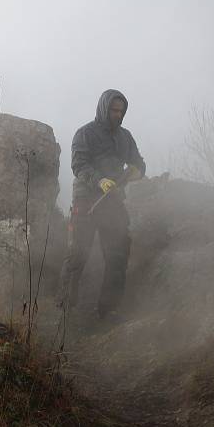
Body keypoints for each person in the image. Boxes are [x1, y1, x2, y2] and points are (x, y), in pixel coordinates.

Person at [58, 89, 146, 319]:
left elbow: (138, 163)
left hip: (114, 202)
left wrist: (137, 171)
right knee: (77, 255)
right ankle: (65, 312)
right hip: (86, 200)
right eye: (114, 110)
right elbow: (78, 165)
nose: (117, 115)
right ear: (103, 108)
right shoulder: (85, 134)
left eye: (121, 111)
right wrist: (99, 180)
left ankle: (109, 310)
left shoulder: (125, 137)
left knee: (118, 255)